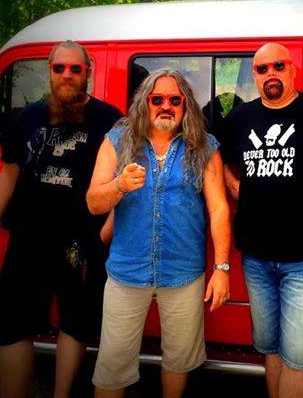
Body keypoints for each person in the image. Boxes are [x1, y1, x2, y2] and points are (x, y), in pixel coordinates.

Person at [220, 43, 303, 398]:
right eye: (262, 68)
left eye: (278, 66)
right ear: (254, 76)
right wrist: (240, 190)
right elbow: (222, 165)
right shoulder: (240, 119)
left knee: (297, 357)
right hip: (256, 258)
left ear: (292, 70)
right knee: (269, 348)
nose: (271, 74)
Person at [86, 69, 231, 398]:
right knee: (112, 366)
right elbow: (93, 202)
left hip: (183, 273)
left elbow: (219, 208)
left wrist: (221, 268)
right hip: (127, 271)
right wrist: (119, 185)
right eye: (158, 99)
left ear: (185, 105)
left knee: (178, 361)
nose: (166, 106)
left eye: (175, 100)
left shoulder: (204, 146)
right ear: (145, 102)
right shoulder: (118, 140)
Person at [0, 40, 121, 398]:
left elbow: (122, 180)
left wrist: (108, 229)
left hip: (81, 241)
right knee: (11, 324)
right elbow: (8, 177)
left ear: (87, 73)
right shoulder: (27, 117)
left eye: (75, 68)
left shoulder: (110, 119)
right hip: (28, 237)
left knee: (76, 323)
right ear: (49, 71)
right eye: (59, 67)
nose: (67, 74)